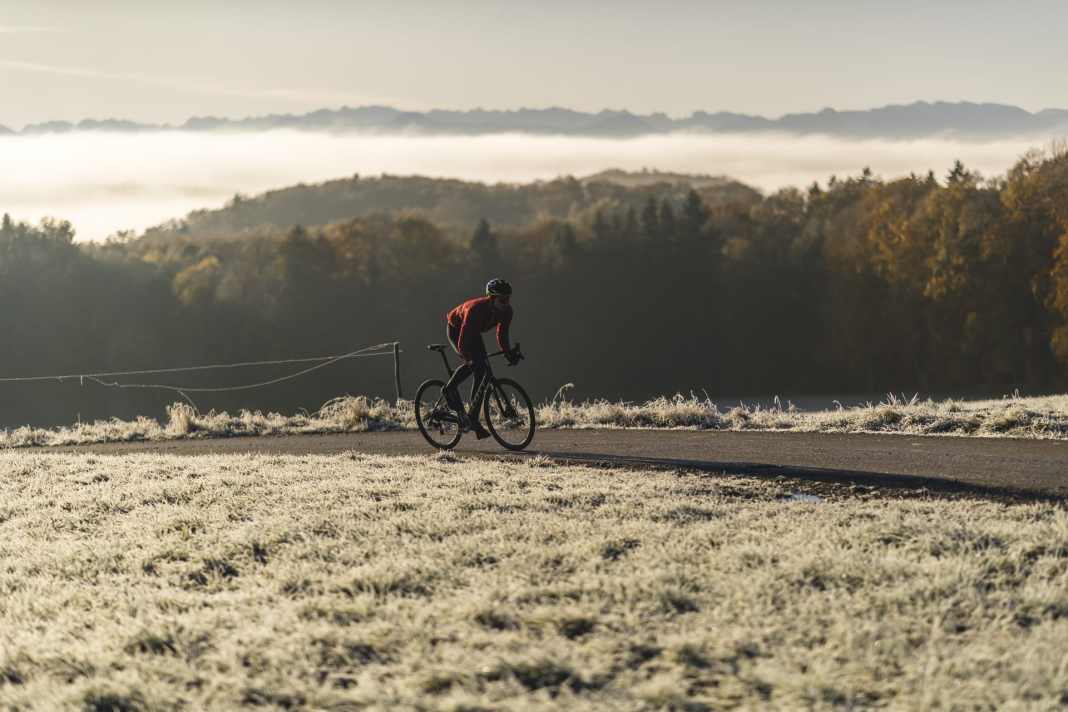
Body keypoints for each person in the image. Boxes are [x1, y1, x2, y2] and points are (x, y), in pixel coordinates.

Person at [443, 278, 520, 438]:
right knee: (474, 364)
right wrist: (468, 358)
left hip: (474, 331)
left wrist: (509, 354)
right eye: (502, 300)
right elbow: (463, 340)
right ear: (491, 298)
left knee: (483, 371)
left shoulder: (507, 311)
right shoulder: (476, 310)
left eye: (508, 299)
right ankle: (449, 389)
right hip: (457, 329)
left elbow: (502, 335)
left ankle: (472, 418)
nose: (506, 303)